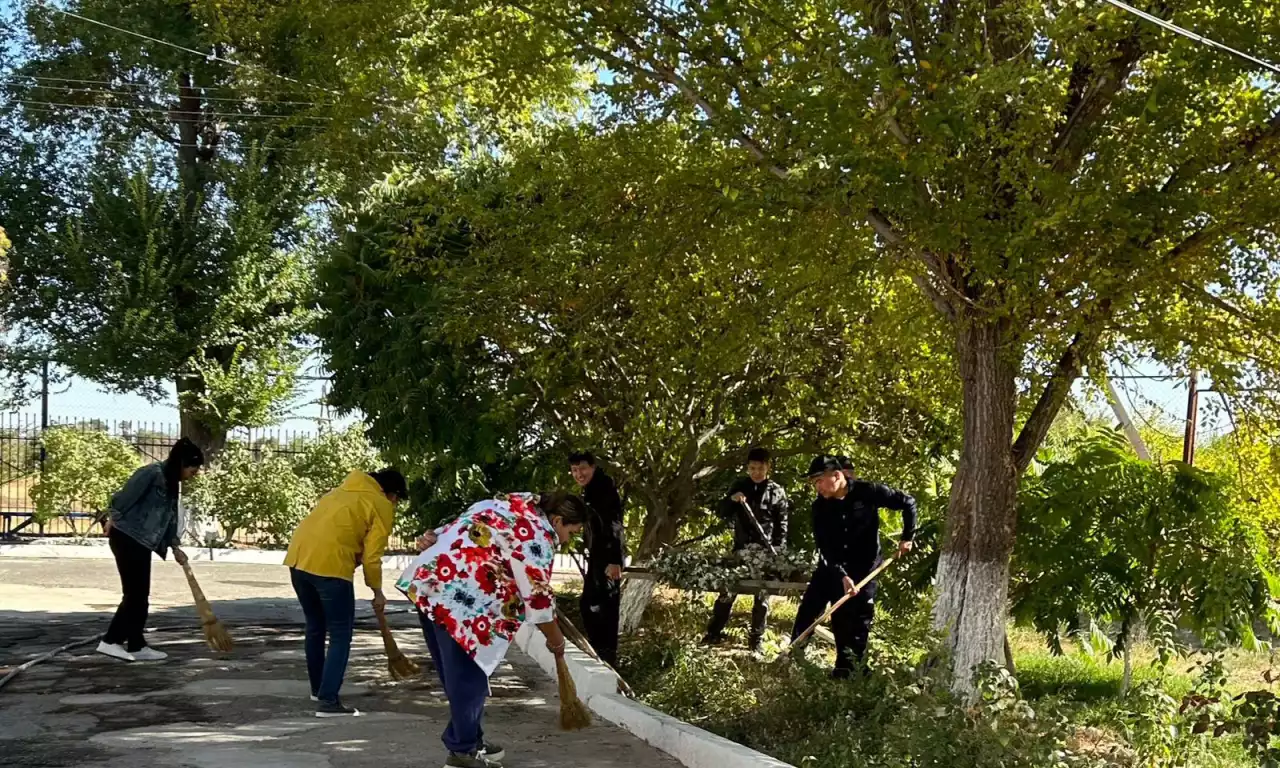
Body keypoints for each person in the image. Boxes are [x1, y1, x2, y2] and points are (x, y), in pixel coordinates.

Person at [399, 492, 584, 768]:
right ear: (557, 520)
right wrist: (556, 639)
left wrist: (429, 536)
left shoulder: (504, 506)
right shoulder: (536, 536)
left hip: (431, 587)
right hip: (462, 606)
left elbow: (444, 531)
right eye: (572, 531)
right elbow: (538, 598)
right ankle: (461, 752)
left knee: (459, 678)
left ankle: (471, 740)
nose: (568, 539)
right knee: (468, 681)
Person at [283, 467, 407, 717]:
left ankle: (319, 690)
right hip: (331, 568)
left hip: (298, 562)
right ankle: (328, 702)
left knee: (316, 626)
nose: (394, 504)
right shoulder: (380, 504)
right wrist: (377, 591)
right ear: (391, 493)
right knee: (340, 634)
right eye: (397, 499)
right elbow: (372, 557)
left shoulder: (338, 492)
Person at [792, 455, 916, 679]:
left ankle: (849, 673)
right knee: (810, 611)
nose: (817, 487)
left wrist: (907, 537)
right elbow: (824, 547)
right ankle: (794, 660)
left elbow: (908, 503)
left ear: (837, 475)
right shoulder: (819, 508)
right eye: (814, 483)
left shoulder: (868, 492)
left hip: (865, 569)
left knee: (856, 621)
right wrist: (841, 575)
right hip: (832, 567)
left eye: (819, 481)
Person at [97, 437, 204, 663]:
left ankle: (136, 645)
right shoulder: (150, 473)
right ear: (182, 463)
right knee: (134, 594)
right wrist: (113, 519)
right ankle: (110, 641)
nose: (193, 475)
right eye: (192, 470)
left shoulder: (172, 482)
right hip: (127, 537)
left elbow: (169, 518)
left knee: (140, 595)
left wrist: (175, 546)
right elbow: (122, 499)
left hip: (142, 541)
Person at [702, 447, 789, 652]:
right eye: (752, 468)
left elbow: (782, 524)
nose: (756, 472)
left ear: (768, 468)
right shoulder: (740, 485)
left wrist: (779, 552)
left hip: (765, 552)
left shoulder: (777, 491)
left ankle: (756, 641)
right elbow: (722, 511)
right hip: (740, 550)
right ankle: (714, 633)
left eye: (760, 468)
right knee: (728, 591)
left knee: (762, 596)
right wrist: (732, 499)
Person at [568, 451, 625, 667]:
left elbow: (614, 524)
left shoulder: (604, 488)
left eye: (582, 468)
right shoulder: (591, 489)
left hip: (608, 556)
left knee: (605, 608)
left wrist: (615, 560)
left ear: (592, 467)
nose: (578, 474)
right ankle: (600, 653)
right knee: (590, 605)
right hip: (598, 554)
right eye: (574, 470)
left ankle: (607, 659)